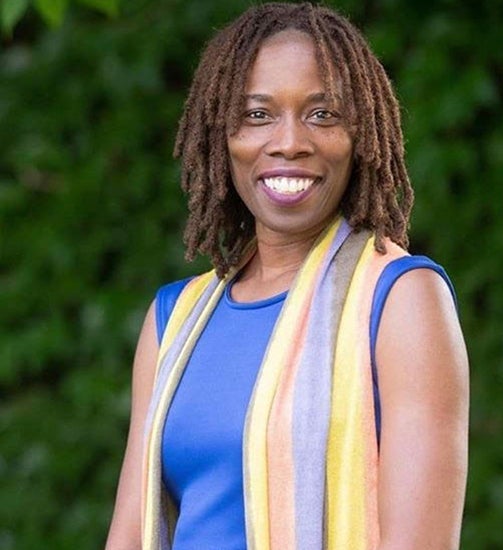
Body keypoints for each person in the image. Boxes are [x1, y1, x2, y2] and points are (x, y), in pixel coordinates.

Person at [105, 3, 469, 550]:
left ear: (360, 135)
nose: (290, 141)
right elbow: (130, 538)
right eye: (258, 115)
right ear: (222, 136)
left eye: (323, 114)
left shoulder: (400, 299)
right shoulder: (174, 321)